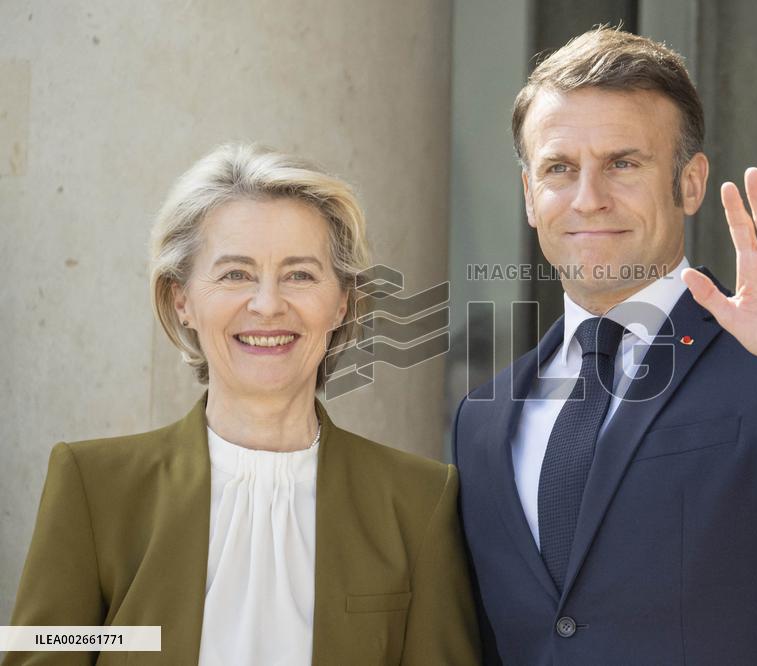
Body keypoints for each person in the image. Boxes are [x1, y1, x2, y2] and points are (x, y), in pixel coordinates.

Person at [452, 27, 757, 665]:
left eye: (623, 163)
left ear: (690, 183)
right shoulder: (482, 417)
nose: (589, 198)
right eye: (559, 169)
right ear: (529, 197)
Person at [6, 144, 479, 665]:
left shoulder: (418, 502)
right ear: (181, 299)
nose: (268, 304)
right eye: (235, 274)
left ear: (342, 301)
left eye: (300, 274)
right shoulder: (93, 487)